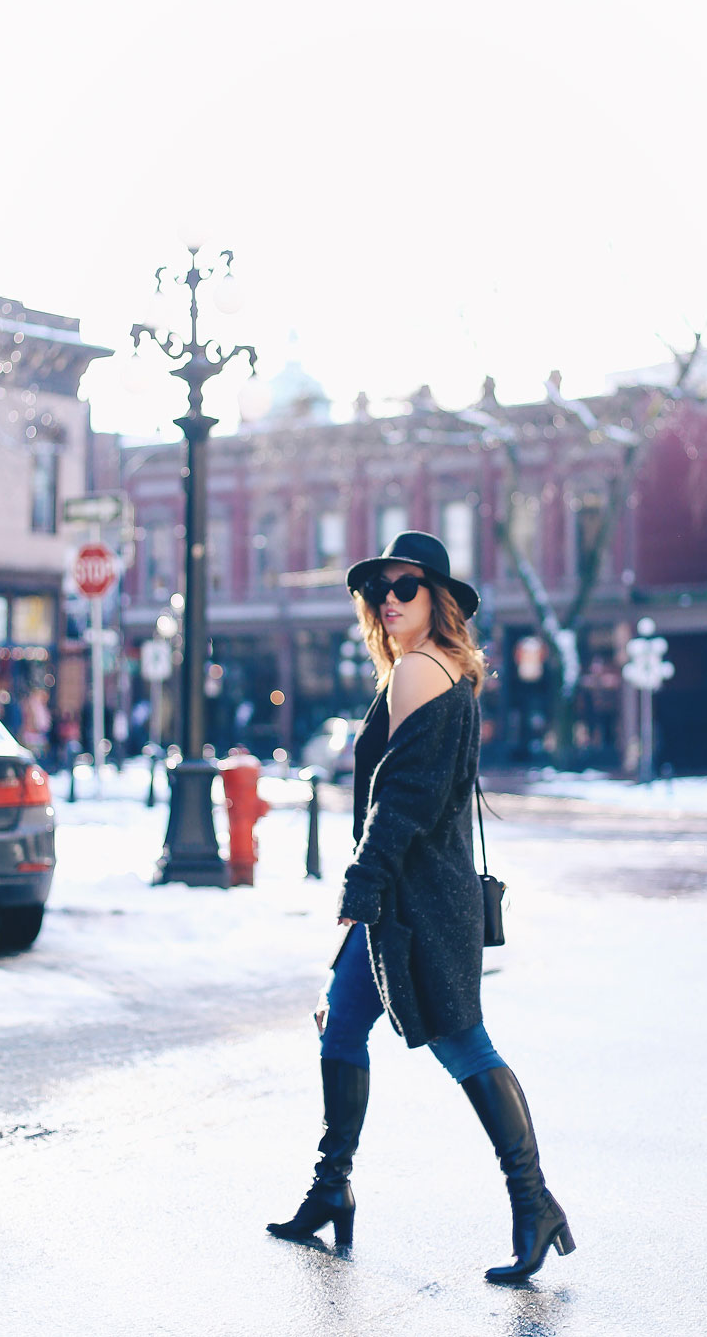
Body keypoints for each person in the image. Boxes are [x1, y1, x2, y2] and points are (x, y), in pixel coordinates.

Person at [266, 532, 574, 1284]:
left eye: (406, 586)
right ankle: (331, 1186)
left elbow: (399, 806)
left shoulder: (417, 673)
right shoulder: (448, 674)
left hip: (416, 903)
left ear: (438, 599)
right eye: (381, 590)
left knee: (463, 1044)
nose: (390, 599)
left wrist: (357, 893)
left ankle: (535, 1207)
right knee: (341, 1020)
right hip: (419, 898)